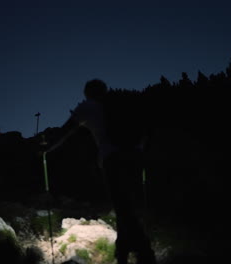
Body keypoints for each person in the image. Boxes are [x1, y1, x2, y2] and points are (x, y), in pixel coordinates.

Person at [42, 79, 156, 264]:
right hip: (134, 159)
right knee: (125, 208)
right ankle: (122, 255)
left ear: (87, 93)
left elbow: (65, 131)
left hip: (113, 160)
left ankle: (146, 254)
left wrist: (46, 148)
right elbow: (145, 129)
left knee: (124, 210)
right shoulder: (121, 106)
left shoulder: (89, 107)